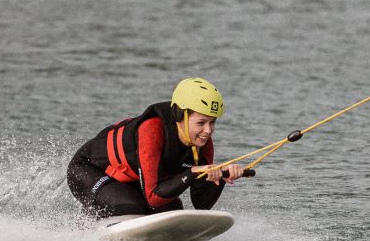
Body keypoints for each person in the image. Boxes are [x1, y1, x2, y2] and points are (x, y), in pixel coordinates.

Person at [66, 77, 246, 218]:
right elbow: (154, 197)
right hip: (89, 170)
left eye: (212, 122)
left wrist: (221, 177)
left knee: (173, 210)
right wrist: (191, 174)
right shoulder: (152, 130)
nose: (208, 131)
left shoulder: (202, 143)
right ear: (180, 116)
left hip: (132, 179)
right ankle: (86, 225)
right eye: (201, 122)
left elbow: (201, 204)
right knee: (131, 207)